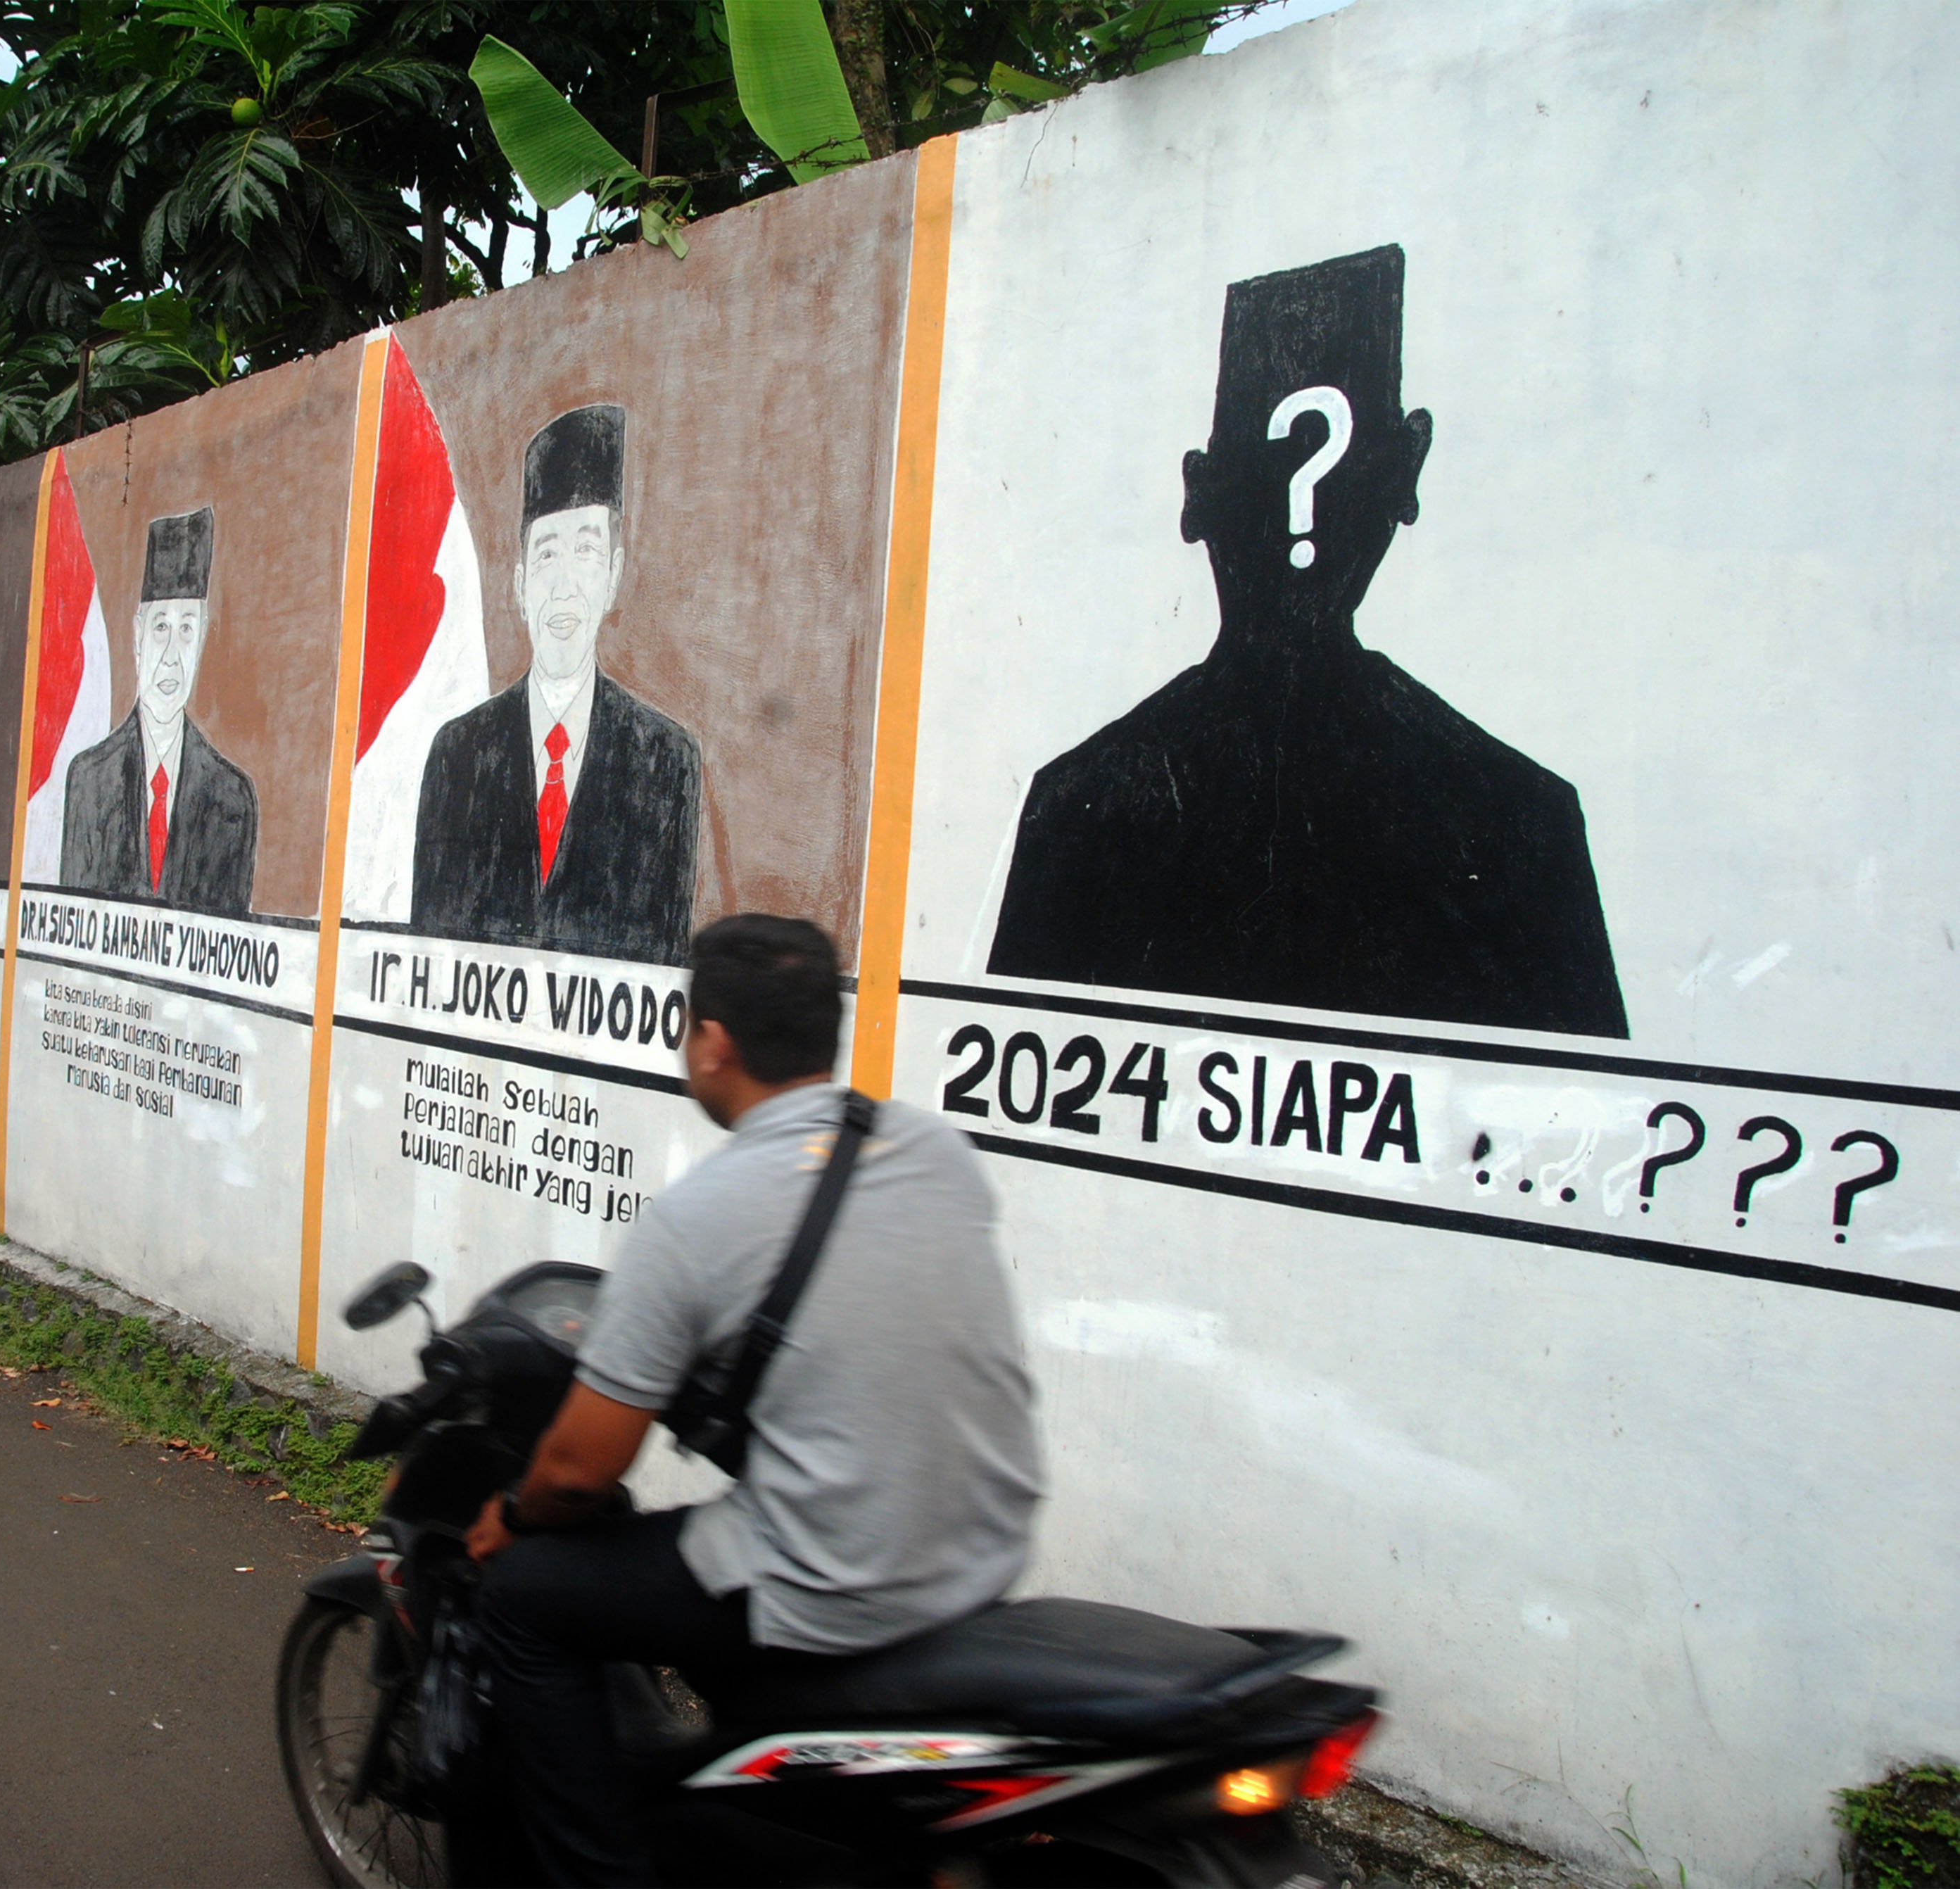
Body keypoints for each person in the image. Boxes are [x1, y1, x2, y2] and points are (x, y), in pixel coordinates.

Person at [468, 914, 1044, 1886]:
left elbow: (578, 1472)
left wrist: (510, 1517)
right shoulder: (936, 1150)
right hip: (981, 1550)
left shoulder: (699, 1216)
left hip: (834, 1576)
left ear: (714, 1042)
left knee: (525, 1600)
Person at [988, 244, 1629, 1038]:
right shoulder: (1517, 815)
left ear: (1199, 493)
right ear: (1404, 475)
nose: (1303, 519)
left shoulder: (1084, 798)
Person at [412, 404, 702, 967]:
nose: (565, 586)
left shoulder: (667, 762)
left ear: (614, 576)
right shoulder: (458, 754)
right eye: (547, 553)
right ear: (519, 584)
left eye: (586, 550)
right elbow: (429, 959)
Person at [59, 507, 258, 912]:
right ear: (137, 635)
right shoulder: (90, 779)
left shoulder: (232, 798)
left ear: (202, 637)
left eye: (186, 628)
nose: (171, 656)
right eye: (160, 627)